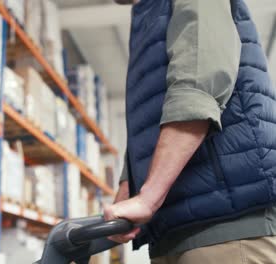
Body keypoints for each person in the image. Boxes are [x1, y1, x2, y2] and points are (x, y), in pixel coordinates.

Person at [104, 0, 276, 263]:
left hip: (225, 230)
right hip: (176, 230)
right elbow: (155, 113)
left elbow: (197, 87)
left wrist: (149, 197)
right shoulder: (148, 12)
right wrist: (130, 187)